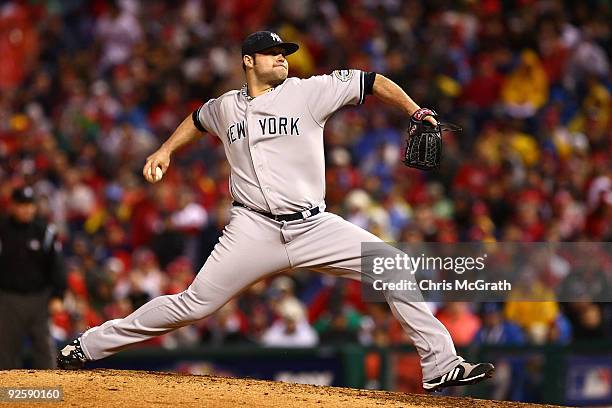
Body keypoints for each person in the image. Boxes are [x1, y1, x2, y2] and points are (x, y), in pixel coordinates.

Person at [58, 31, 494, 391]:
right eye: (272, 54)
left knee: (393, 265)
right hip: (252, 229)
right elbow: (197, 119)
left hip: (314, 225)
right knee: (192, 304)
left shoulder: (310, 92)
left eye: (285, 54)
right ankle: (89, 347)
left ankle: (439, 364)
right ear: (248, 60)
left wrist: (415, 110)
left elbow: (372, 80)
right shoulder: (227, 106)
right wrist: (164, 150)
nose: (282, 59)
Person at [0, 186, 66, 368]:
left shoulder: (44, 231)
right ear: (12, 206)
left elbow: (57, 265)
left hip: (39, 299)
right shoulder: (3, 230)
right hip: (8, 299)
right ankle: (7, 395)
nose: (27, 209)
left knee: (44, 349)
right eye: (22, 205)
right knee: (5, 351)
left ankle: (50, 393)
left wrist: (58, 295)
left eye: (30, 204)